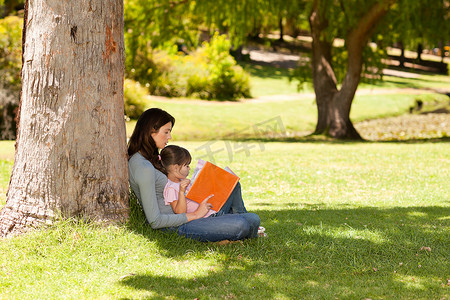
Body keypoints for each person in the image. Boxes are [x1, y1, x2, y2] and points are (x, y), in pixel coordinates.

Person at [127, 108, 261, 242]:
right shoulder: (143, 167)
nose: (170, 137)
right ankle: (233, 225)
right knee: (242, 224)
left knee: (251, 215)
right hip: (177, 225)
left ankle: (230, 223)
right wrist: (196, 214)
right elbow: (155, 221)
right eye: (166, 132)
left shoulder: (151, 157)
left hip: (191, 214)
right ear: (151, 131)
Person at [160, 145, 249, 218]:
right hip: (210, 216)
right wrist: (181, 192)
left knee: (232, 183)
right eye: (186, 166)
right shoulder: (171, 188)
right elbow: (180, 213)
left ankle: (241, 216)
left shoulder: (181, 181)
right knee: (235, 186)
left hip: (212, 209)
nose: (189, 168)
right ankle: (242, 217)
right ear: (175, 168)